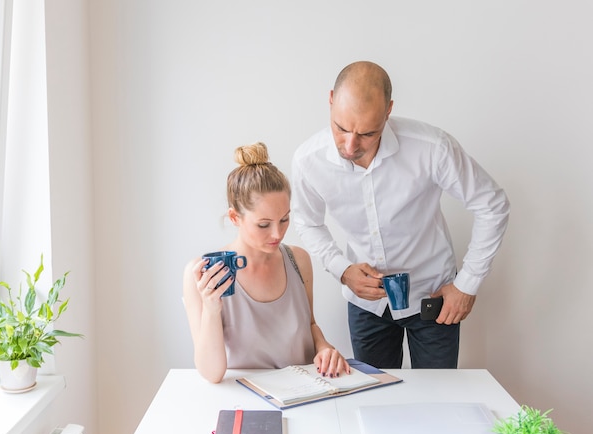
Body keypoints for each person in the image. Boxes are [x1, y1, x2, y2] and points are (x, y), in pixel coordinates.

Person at [291, 61, 510, 369]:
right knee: (376, 402)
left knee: (437, 401)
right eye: (341, 128)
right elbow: (307, 221)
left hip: (433, 298)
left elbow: (493, 204)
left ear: (388, 110)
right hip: (366, 304)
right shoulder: (308, 160)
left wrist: (467, 285)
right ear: (330, 99)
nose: (351, 145)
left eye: (367, 133)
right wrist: (341, 269)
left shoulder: (432, 147)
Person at [183, 142, 350, 383]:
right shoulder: (201, 273)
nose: (277, 234)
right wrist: (211, 308)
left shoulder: (298, 260)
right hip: (245, 399)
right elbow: (212, 374)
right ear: (234, 217)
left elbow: (310, 324)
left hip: (305, 393)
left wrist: (324, 347)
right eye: (264, 224)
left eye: (284, 220)